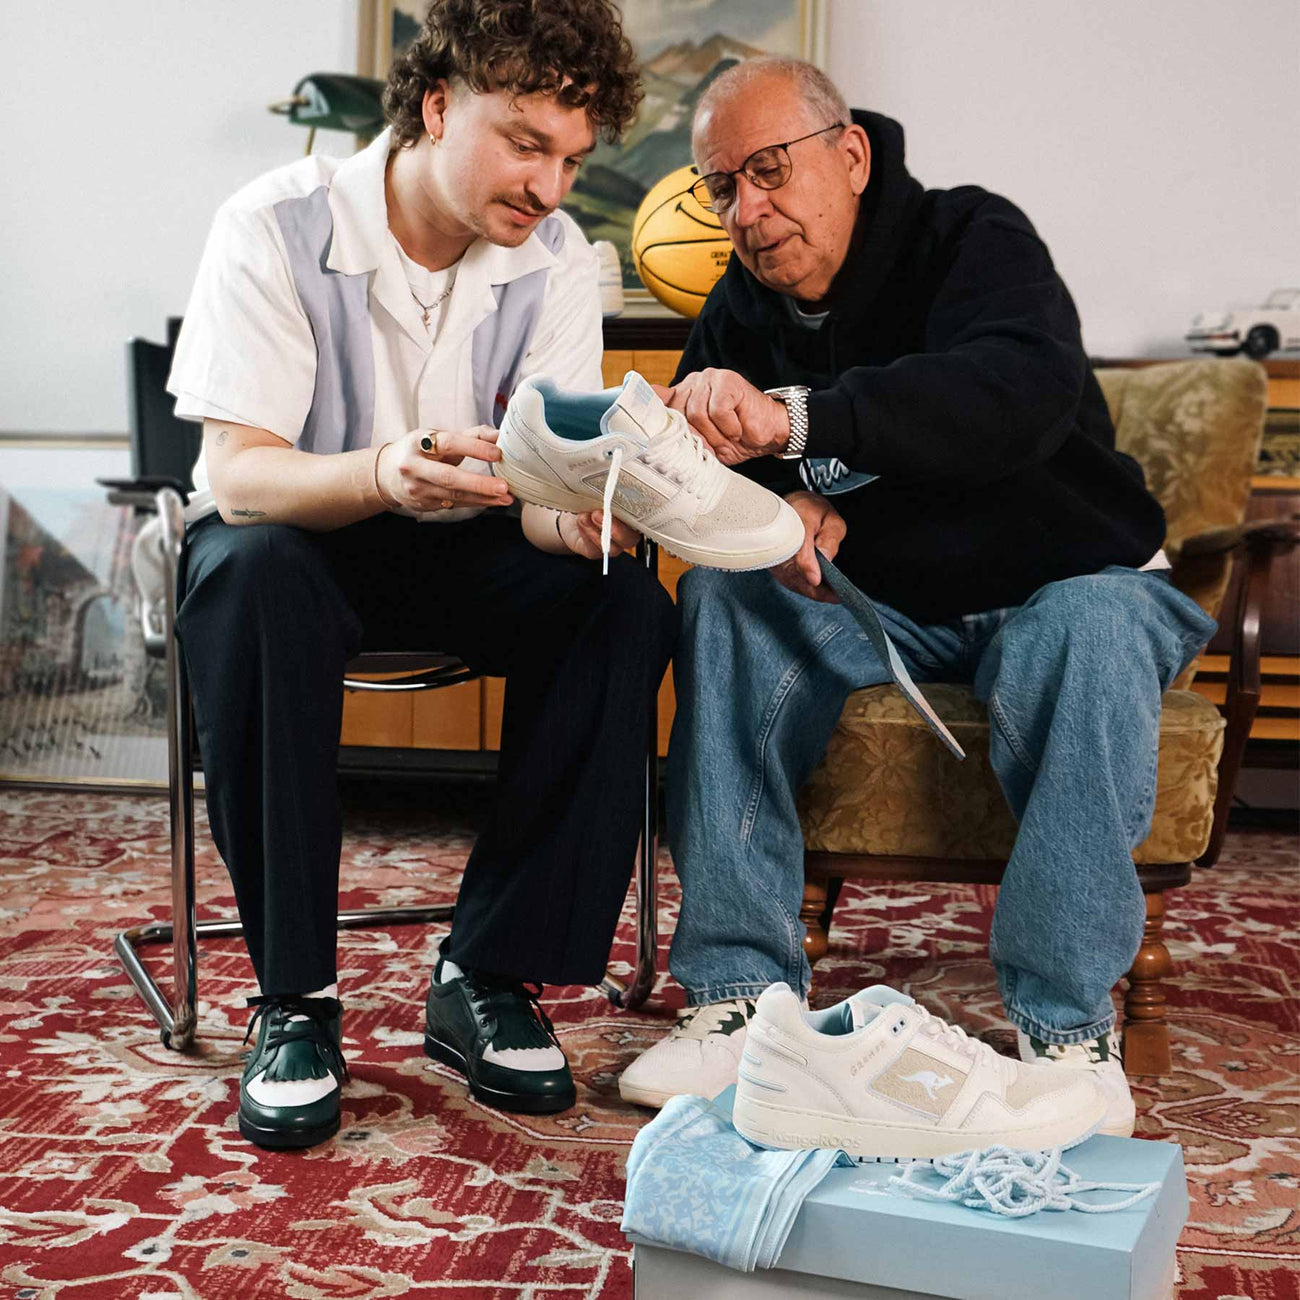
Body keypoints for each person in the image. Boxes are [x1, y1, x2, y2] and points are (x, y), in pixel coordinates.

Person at [617, 57, 1215, 1136]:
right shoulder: (736, 309)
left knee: (1085, 630)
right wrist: (765, 510)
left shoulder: (974, 236)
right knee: (722, 599)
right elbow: (723, 484)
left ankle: (1066, 1032)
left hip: (1067, 575)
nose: (746, 211)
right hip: (881, 603)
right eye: (722, 187)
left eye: (768, 170)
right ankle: (737, 996)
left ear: (849, 155)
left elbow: (1013, 395)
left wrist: (800, 427)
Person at [166, 0, 672, 1149]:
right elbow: (237, 472)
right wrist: (383, 471)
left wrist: (591, 515)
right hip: (294, 535)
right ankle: (295, 999)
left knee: (622, 601)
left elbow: (541, 486)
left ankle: (486, 970)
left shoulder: (555, 258)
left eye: (572, 158)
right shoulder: (275, 223)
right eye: (527, 144)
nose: (550, 187)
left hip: (467, 544)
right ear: (438, 105)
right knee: (252, 574)